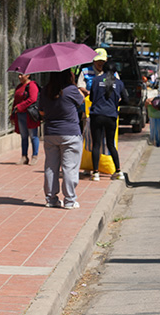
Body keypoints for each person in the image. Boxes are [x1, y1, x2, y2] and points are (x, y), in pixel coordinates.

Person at [38, 69, 84, 209]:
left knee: (51, 167)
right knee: (69, 168)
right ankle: (69, 200)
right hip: (70, 133)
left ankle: (51, 199)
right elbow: (81, 101)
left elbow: (41, 111)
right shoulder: (71, 90)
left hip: (51, 133)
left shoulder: (45, 90)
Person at [88, 61, 128, 181]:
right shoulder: (119, 83)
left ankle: (95, 173)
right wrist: (115, 103)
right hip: (111, 116)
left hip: (97, 115)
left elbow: (91, 97)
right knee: (111, 144)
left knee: (96, 144)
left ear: (103, 70)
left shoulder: (96, 81)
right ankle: (118, 171)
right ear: (115, 71)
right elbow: (126, 100)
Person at [10, 73, 40, 165]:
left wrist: (20, 106)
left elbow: (33, 99)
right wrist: (12, 115)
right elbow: (15, 101)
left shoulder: (32, 85)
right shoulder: (19, 86)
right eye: (19, 75)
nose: (19, 77)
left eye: (22, 75)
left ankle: (34, 156)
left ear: (28, 75)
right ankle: (24, 156)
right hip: (20, 114)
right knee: (23, 136)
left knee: (33, 135)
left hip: (30, 115)